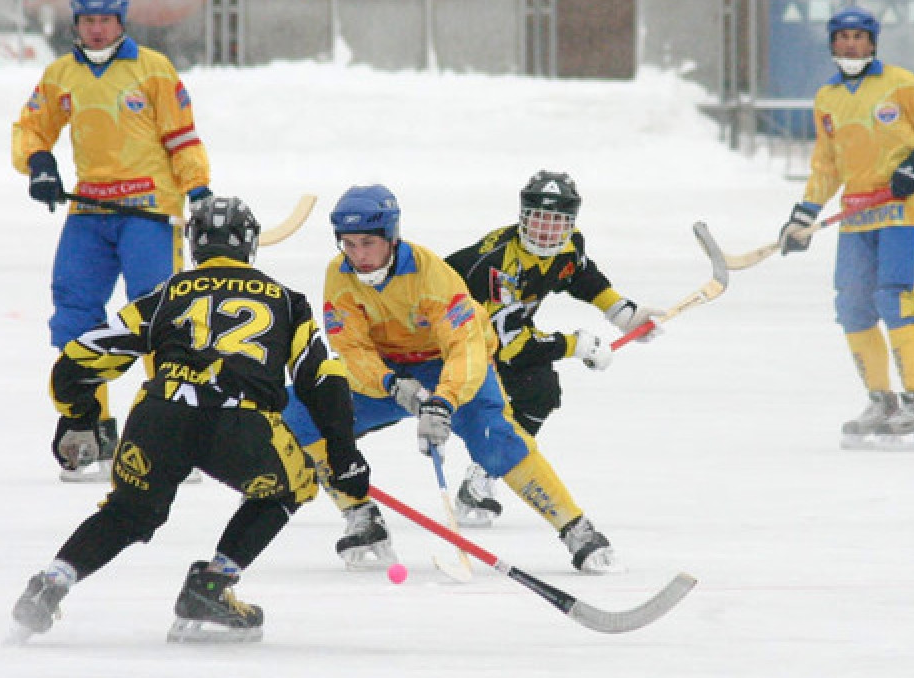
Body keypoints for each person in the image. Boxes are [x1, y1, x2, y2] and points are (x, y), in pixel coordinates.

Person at [10, 197, 370, 643]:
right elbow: (322, 377)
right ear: (250, 244)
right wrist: (342, 449)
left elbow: (80, 358)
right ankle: (212, 586)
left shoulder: (163, 296)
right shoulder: (286, 300)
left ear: (194, 245)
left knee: (129, 511)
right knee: (292, 485)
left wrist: (77, 416)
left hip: (160, 416)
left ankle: (52, 582)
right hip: (239, 424)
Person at [281, 184, 621, 574]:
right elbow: (351, 347)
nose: (360, 256)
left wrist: (442, 402)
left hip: (448, 364)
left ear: (391, 238)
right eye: (349, 244)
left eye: (368, 243)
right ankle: (361, 516)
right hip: (388, 373)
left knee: (496, 438)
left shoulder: (432, 275)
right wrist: (390, 384)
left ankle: (575, 527)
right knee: (302, 411)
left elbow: (466, 348)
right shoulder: (339, 275)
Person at [12, 0, 213, 481]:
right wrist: (39, 163)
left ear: (121, 22)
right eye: (88, 21)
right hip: (89, 211)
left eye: (105, 20)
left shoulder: (153, 69)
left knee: (159, 319)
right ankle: (90, 428)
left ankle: (168, 437)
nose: (97, 30)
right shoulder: (61, 75)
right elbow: (31, 128)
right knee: (75, 313)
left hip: (148, 212)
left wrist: (198, 190)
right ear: (76, 24)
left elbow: (182, 138)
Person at [776, 6, 914, 451]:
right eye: (841, 37)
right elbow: (827, 163)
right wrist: (805, 212)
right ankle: (881, 402)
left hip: (904, 215)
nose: (850, 45)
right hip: (857, 217)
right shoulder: (827, 97)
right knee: (854, 307)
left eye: (858, 38)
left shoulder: (902, 84)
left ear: (873, 43)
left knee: (897, 299)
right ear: (831, 44)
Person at [444, 170, 662, 526]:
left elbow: (580, 275)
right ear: (522, 218)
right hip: (444, 344)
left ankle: (483, 474)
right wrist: (577, 345)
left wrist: (624, 314)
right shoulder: (500, 266)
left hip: (489, 340)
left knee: (540, 391)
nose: (547, 233)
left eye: (557, 223)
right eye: (539, 221)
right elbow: (512, 347)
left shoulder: (570, 244)